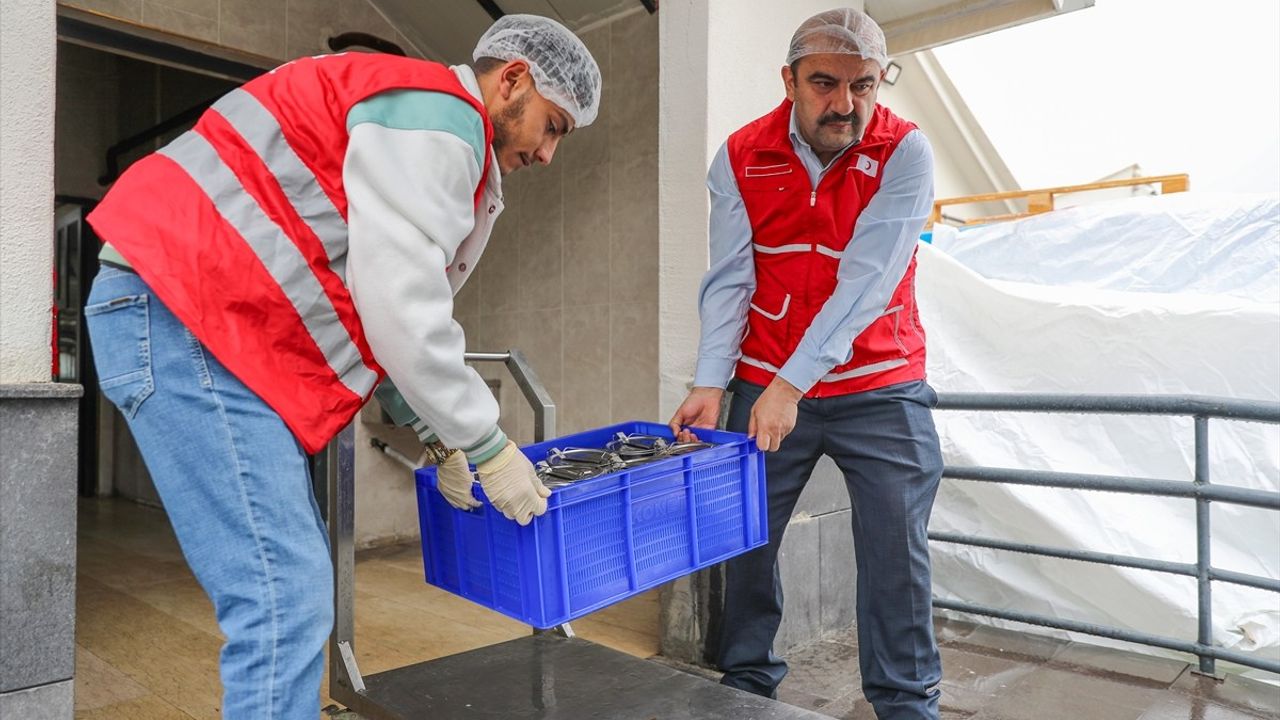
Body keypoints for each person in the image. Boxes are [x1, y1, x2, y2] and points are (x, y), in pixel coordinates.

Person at [83, 15, 600, 719]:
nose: (547, 153)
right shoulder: (441, 118)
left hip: (194, 313)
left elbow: (365, 297)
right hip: (185, 314)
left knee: (286, 590)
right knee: (283, 596)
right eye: (554, 125)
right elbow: (399, 300)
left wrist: (437, 430)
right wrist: (486, 442)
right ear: (513, 79)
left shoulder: (411, 115)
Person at [668, 8, 944, 719]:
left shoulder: (905, 152)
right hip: (765, 374)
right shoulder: (739, 155)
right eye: (825, 83)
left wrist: (791, 384)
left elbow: (868, 281)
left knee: (895, 551)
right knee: (745, 537)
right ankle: (748, 682)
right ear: (788, 79)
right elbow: (731, 278)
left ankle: (907, 703)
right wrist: (710, 383)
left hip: (880, 382)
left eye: (864, 86)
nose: (845, 104)